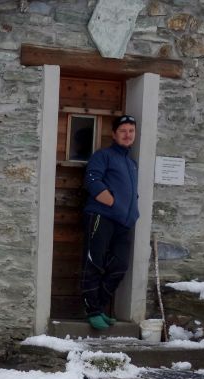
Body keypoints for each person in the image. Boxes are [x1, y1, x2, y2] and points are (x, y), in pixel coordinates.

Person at [81, 114, 139, 330]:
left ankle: (99, 306)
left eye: (131, 131)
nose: (127, 135)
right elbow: (92, 180)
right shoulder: (103, 156)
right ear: (114, 134)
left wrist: (132, 211)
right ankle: (92, 310)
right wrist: (112, 202)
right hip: (101, 216)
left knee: (120, 266)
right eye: (123, 131)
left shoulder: (131, 163)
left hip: (124, 222)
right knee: (94, 262)